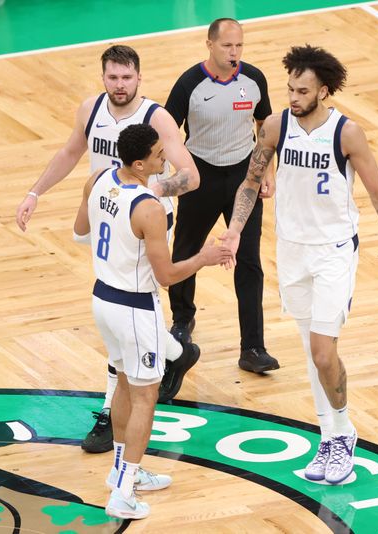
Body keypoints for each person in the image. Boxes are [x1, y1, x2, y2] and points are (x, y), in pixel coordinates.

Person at [221, 44, 378, 485]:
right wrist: (235, 230)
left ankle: (344, 431)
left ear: (324, 91)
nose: (292, 97)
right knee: (312, 352)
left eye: (302, 90)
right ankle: (328, 437)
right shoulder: (274, 126)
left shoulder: (347, 133)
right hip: (291, 249)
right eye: (289, 88)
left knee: (323, 350)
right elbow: (251, 183)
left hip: (333, 250)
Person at [16, 45, 201, 455]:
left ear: (139, 77)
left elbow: (190, 176)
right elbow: (68, 153)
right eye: (113, 77)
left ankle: (109, 409)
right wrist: (35, 192)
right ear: (103, 77)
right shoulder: (91, 109)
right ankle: (177, 352)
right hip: (105, 209)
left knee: (127, 308)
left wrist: (150, 189)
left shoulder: (156, 118)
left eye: (127, 78)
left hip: (145, 217)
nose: (120, 85)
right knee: (121, 305)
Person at [74, 123, 231, 519]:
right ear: (140, 162)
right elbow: (166, 276)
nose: (166, 160)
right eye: (160, 155)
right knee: (146, 397)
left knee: (126, 386)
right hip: (134, 306)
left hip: (102, 298)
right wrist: (204, 258)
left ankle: (123, 472)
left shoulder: (97, 178)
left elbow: (80, 231)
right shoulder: (149, 208)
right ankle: (123, 493)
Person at [165, 18, 279, 374]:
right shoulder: (190, 84)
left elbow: (267, 126)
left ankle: (253, 347)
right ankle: (182, 322)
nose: (234, 53)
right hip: (201, 177)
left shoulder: (254, 80)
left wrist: (267, 172)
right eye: (228, 46)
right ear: (210, 45)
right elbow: (167, 130)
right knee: (185, 250)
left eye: (239, 46)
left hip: (244, 178)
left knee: (248, 260)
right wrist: (178, 175)